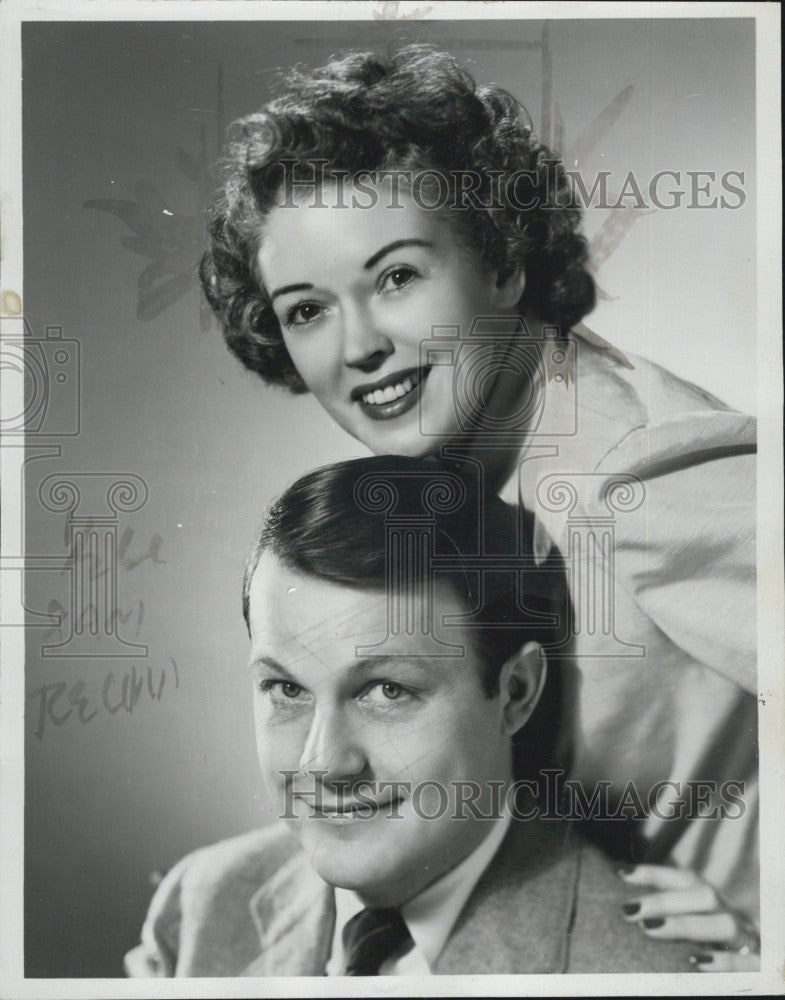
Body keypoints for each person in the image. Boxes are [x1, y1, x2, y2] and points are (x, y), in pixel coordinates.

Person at [199, 46, 758, 963]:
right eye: (307, 310)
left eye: (396, 278)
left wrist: (763, 946)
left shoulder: (638, 476)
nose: (361, 346)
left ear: (502, 262)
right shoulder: (472, 474)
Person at [125, 456, 700, 976]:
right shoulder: (200, 905)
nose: (324, 763)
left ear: (515, 693)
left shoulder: (647, 968)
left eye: (387, 691)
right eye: (285, 688)